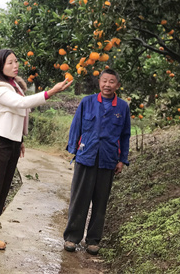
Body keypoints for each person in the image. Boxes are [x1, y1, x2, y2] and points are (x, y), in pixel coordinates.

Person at [0, 48, 73, 261]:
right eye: (10, 63)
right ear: (0, 66)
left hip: (11, 143)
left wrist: (20, 139)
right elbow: (21, 104)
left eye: (16, 61)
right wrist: (50, 92)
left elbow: (18, 115)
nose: (15, 65)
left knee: (3, 189)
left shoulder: (14, 85)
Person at [63, 68, 131, 256]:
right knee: (79, 199)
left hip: (108, 159)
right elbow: (76, 126)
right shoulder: (87, 102)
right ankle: (72, 237)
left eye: (111, 82)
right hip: (86, 156)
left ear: (117, 85)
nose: (107, 85)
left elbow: (125, 135)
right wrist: (73, 150)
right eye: (104, 81)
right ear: (99, 82)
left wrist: (122, 160)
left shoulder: (123, 107)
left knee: (100, 202)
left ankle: (93, 240)